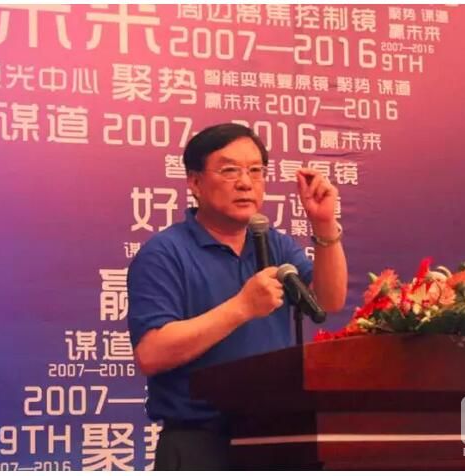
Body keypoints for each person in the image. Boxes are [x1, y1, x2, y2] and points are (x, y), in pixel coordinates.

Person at [127, 123, 348, 470]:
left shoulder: (274, 243)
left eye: (256, 171)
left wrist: (324, 224)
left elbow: (329, 301)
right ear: (194, 182)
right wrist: (242, 307)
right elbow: (151, 354)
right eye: (229, 170)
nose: (246, 183)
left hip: (276, 436)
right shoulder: (165, 253)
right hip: (200, 442)